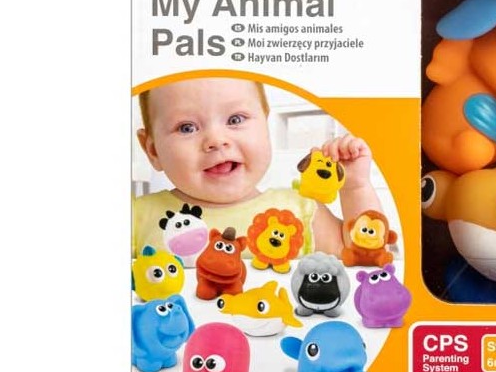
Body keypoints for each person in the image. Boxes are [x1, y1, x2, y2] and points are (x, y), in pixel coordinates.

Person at [132, 75, 383, 258]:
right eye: (187, 128)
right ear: (152, 150)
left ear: (265, 124)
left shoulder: (300, 211)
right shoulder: (136, 218)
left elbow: (363, 256)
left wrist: (355, 188)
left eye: (235, 119)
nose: (216, 140)